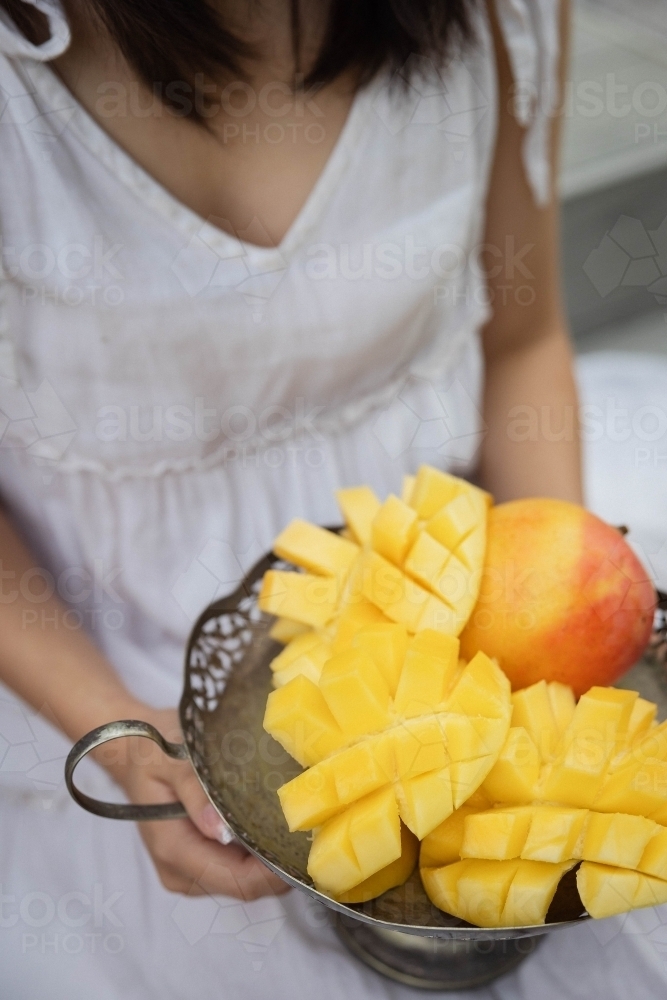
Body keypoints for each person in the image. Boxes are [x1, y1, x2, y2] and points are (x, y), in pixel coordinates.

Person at [0, 0, 583, 996]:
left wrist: (554, 629)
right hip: (98, 677)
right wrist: (120, 733)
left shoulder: (502, 15)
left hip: (461, 618)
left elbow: (522, 339)